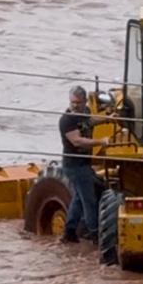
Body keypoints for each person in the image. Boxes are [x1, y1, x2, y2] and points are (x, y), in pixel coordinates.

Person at [59, 86, 110, 243]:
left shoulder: (85, 111)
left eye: (78, 102)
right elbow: (77, 140)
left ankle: (69, 232)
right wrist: (100, 142)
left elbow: (90, 121)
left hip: (83, 163)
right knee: (89, 200)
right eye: (73, 102)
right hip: (74, 166)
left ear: (85, 102)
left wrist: (109, 118)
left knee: (79, 199)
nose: (75, 105)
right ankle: (95, 234)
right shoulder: (67, 120)